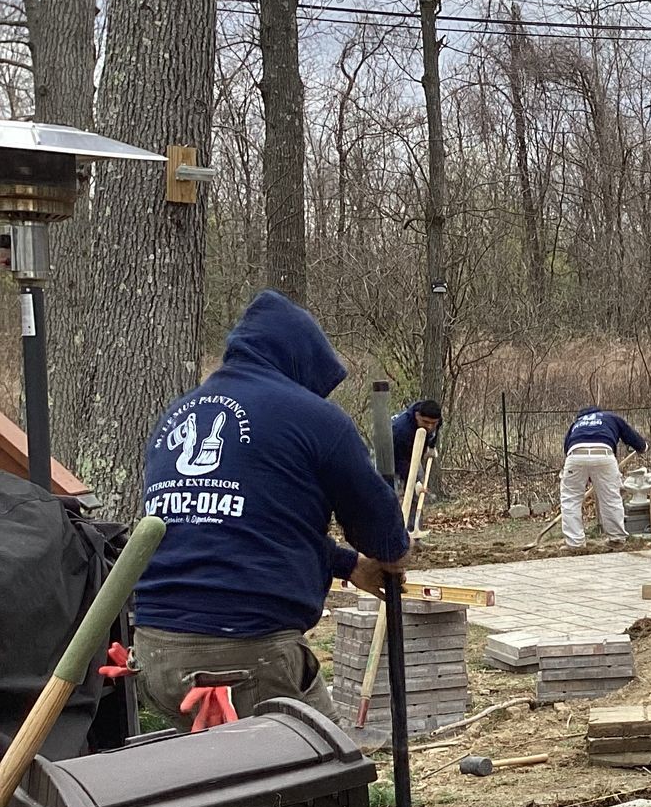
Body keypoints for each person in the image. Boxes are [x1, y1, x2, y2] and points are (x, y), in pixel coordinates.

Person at [135, 290, 411, 728]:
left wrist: (346, 564)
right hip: (247, 652)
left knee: (211, 783)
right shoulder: (315, 418)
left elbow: (236, 522)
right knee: (329, 778)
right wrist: (390, 551)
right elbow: (384, 537)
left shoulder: (179, 411)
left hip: (155, 651)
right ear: (300, 362)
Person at [559, 407, 646, 546]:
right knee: (611, 498)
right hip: (603, 454)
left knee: (570, 500)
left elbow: (566, 447)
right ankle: (617, 538)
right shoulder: (610, 417)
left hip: (575, 456)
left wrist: (584, 472)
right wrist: (642, 447)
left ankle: (575, 543)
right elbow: (631, 436)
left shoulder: (577, 423)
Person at [391, 399, 442, 479]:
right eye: (426, 422)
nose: (430, 426)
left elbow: (434, 432)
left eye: (433, 423)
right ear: (417, 416)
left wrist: (431, 446)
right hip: (391, 454)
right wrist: (414, 482)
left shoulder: (437, 420)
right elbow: (402, 461)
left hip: (412, 453)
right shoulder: (402, 430)